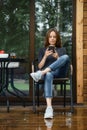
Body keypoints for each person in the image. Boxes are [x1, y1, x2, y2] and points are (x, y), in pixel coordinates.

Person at [30, 28, 70, 119]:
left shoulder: (62, 49)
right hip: (49, 74)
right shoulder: (42, 50)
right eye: (50, 37)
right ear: (47, 38)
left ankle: (41, 73)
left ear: (57, 39)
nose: (52, 38)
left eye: (54, 37)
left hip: (60, 72)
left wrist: (57, 57)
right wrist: (45, 56)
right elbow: (39, 66)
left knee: (66, 57)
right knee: (48, 74)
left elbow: (64, 62)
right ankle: (49, 108)